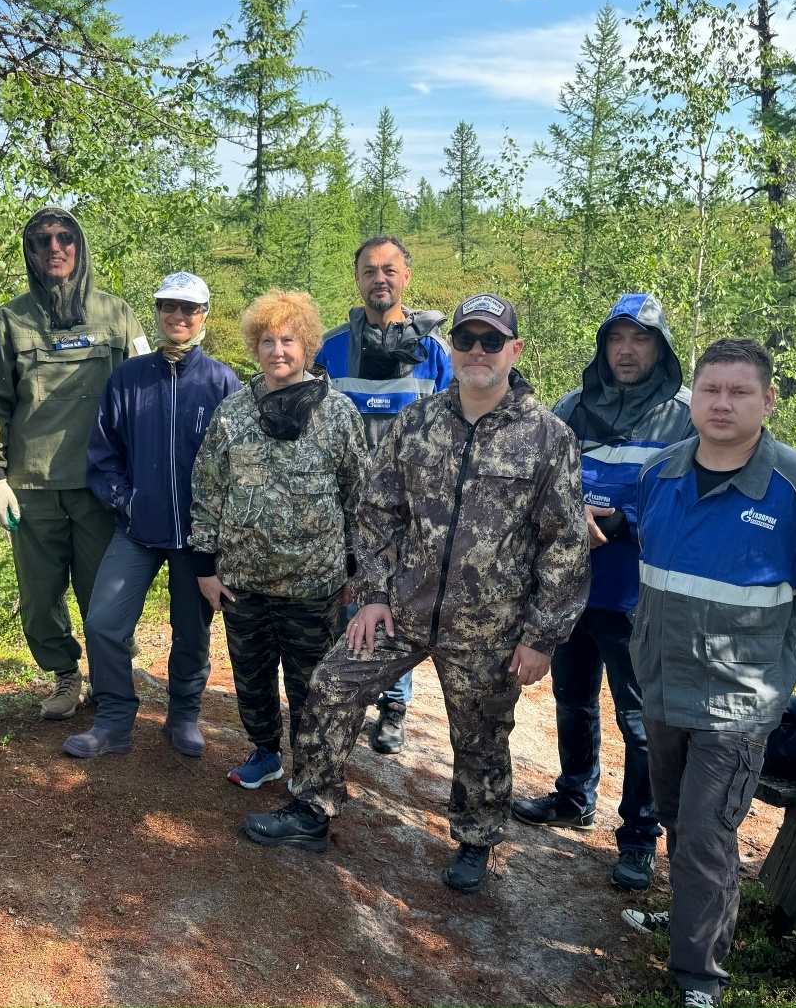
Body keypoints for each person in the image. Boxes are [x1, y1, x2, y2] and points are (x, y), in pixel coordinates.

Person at [243, 292, 591, 894]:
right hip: (403, 608)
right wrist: (374, 593)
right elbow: (378, 512)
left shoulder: (547, 437)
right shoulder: (418, 422)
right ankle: (311, 811)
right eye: (466, 339)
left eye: (490, 340)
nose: (477, 351)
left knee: (481, 734)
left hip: (490, 626)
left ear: (515, 349)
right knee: (331, 685)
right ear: (449, 348)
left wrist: (542, 638)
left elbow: (564, 543)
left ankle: (477, 839)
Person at [619, 339, 796, 1008]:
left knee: (705, 834)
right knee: (675, 818)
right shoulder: (660, 474)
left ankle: (698, 979)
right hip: (661, 687)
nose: (722, 403)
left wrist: (774, 665)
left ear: (768, 400)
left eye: (739, 391)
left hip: (736, 704)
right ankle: (697, 917)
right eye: (711, 390)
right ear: (693, 396)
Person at [512, 293, 694, 891]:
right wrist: (564, 519)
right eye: (617, 338)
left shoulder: (686, 416)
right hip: (569, 590)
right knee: (573, 699)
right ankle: (573, 796)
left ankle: (640, 837)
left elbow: (693, 502)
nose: (626, 350)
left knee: (640, 721)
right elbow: (542, 478)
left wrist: (618, 525)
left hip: (637, 597)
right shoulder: (572, 405)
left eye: (640, 339)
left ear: (660, 347)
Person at [189, 290, 368, 789]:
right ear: (255, 347)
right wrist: (205, 566)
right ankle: (266, 752)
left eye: (288, 339)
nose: (277, 351)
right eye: (267, 341)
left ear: (307, 344)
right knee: (251, 679)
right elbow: (207, 490)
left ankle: (311, 771)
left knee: (313, 686)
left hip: (316, 585)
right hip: (244, 582)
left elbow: (360, 494)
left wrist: (356, 569)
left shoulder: (338, 414)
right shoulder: (233, 414)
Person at [61, 273, 240, 759]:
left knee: (192, 630)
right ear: (158, 312)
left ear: (205, 315)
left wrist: (219, 535)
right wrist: (128, 500)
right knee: (102, 622)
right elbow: (103, 454)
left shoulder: (223, 381)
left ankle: (183, 714)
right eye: (168, 307)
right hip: (138, 530)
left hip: (197, 539)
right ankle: (115, 719)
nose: (178, 317)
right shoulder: (130, 376)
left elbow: (241, 465)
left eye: (189, 309)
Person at [0, 207, 148, 720]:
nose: (54, 248)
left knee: (105, 591)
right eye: (41, 240)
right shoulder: (7, 321)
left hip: (100, 484)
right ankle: (63, 676)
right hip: (30, 486)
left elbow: (143, 395)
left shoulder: (117, 315)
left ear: (80, 246)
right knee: (39, 596)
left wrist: (142, 475)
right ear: (29, 252)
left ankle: (107, 674)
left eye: (65, 238)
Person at [315, 235, 452, 755]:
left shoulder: (435, 350)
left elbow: (449, 427)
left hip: (410, 509)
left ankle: (394, 704)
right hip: (344, 505)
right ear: (357, 279)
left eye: (389, 270)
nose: (380, 279)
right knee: (349, 599)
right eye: (370, 270)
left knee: (398, 604)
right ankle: (344, 696)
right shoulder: (331, 347)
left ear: (406, 277)